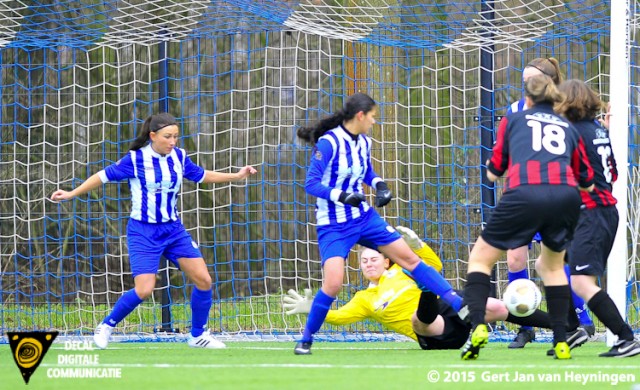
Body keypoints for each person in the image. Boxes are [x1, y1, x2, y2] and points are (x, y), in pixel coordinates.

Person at [50, 112, 257, 349]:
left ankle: (198, 335)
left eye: (176, 137)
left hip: (173, 231)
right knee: (144, 289)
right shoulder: (135, 159)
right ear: (152, 136)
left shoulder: (179, 156)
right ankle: (106, 325)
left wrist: (237, 175)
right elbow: (102, 176)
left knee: (204, 280)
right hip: (143, 232)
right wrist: (71, 193)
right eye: (167, 137)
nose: (172, 141)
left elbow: (201, 175)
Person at [294, 92, 464, 355]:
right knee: (333, 283)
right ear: (360, 116)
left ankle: (459, 303)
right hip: (334, 225)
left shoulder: (363, 142)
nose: (374, 121)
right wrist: (343, 196)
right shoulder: (328, 144)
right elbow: (311, 183)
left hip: (363, 217)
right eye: (372, 116)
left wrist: (380, 185)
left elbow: (368, 171)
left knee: (410, 259)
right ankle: (306, 338)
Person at [461, 74, 595, 360]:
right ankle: (562, 339)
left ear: (529, 100)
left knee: (480, 259)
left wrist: (493, 168)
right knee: (552, 268)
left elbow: (494, 171)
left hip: (524, 194)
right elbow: (587, 180)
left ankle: (477, 327)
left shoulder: (514, 119)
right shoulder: (568, 126)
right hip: (565, 196)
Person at [283, 227, 560, 350]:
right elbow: (339, 317)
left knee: (499, 306)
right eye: (364, 260)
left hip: (448, 310)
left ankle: (564, 326)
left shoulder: (400, 270)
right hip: (435, 335)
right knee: (419, 318)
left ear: (386, 259)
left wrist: (416, 246)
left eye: (373, 258)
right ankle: (428, 292)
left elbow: (434, 265)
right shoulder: (364, 299)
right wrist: (312, 309)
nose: (368, 264)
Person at [505, 57, 595, 348]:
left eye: (533, 80)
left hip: (556, 196)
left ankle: (580, 320)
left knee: (555, 260)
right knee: (514, 257)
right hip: (521, 197)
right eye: (524, 81)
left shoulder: (565, 111)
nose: (527, 87)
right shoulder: (516, 110)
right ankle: (526, 324)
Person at [554, 80, 640, 357]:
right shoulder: (596, 130)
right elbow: (612, 174)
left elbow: (580, 177)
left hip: (592, 214)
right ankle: (571, 328)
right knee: (551, 262)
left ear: (567, 103)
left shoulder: (572, 133)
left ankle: (627, 338)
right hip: (597, 212)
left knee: (582, 282)